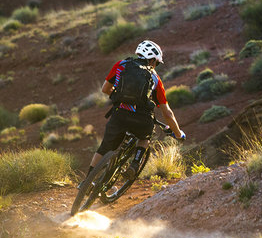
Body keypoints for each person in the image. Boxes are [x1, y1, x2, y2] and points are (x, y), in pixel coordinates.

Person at [79, 40, 185, 189]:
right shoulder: (154, 78)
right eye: (157, 63)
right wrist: (178, 133)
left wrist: (120, 98)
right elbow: (167, 112)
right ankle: (135, 164)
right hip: (142, 119)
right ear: (153, 60)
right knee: (144, 137)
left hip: (119, 114)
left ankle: (86, 182)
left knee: (104, 148)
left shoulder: (121, 65)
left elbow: (105, 89)